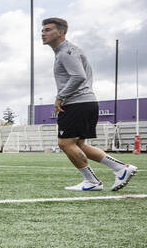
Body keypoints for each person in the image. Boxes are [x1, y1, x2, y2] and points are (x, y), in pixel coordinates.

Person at [41, 17, 137, 191]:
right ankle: (121, 168)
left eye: (48, 29)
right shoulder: (69, 51)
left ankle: (92, 182)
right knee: (79, 144)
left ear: (61, 32)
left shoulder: (65, 53)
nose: (43, 33)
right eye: (43, 30)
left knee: (65, 143)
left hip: (76, 103)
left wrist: (60, 97)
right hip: (85, 102)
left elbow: (78, 76)